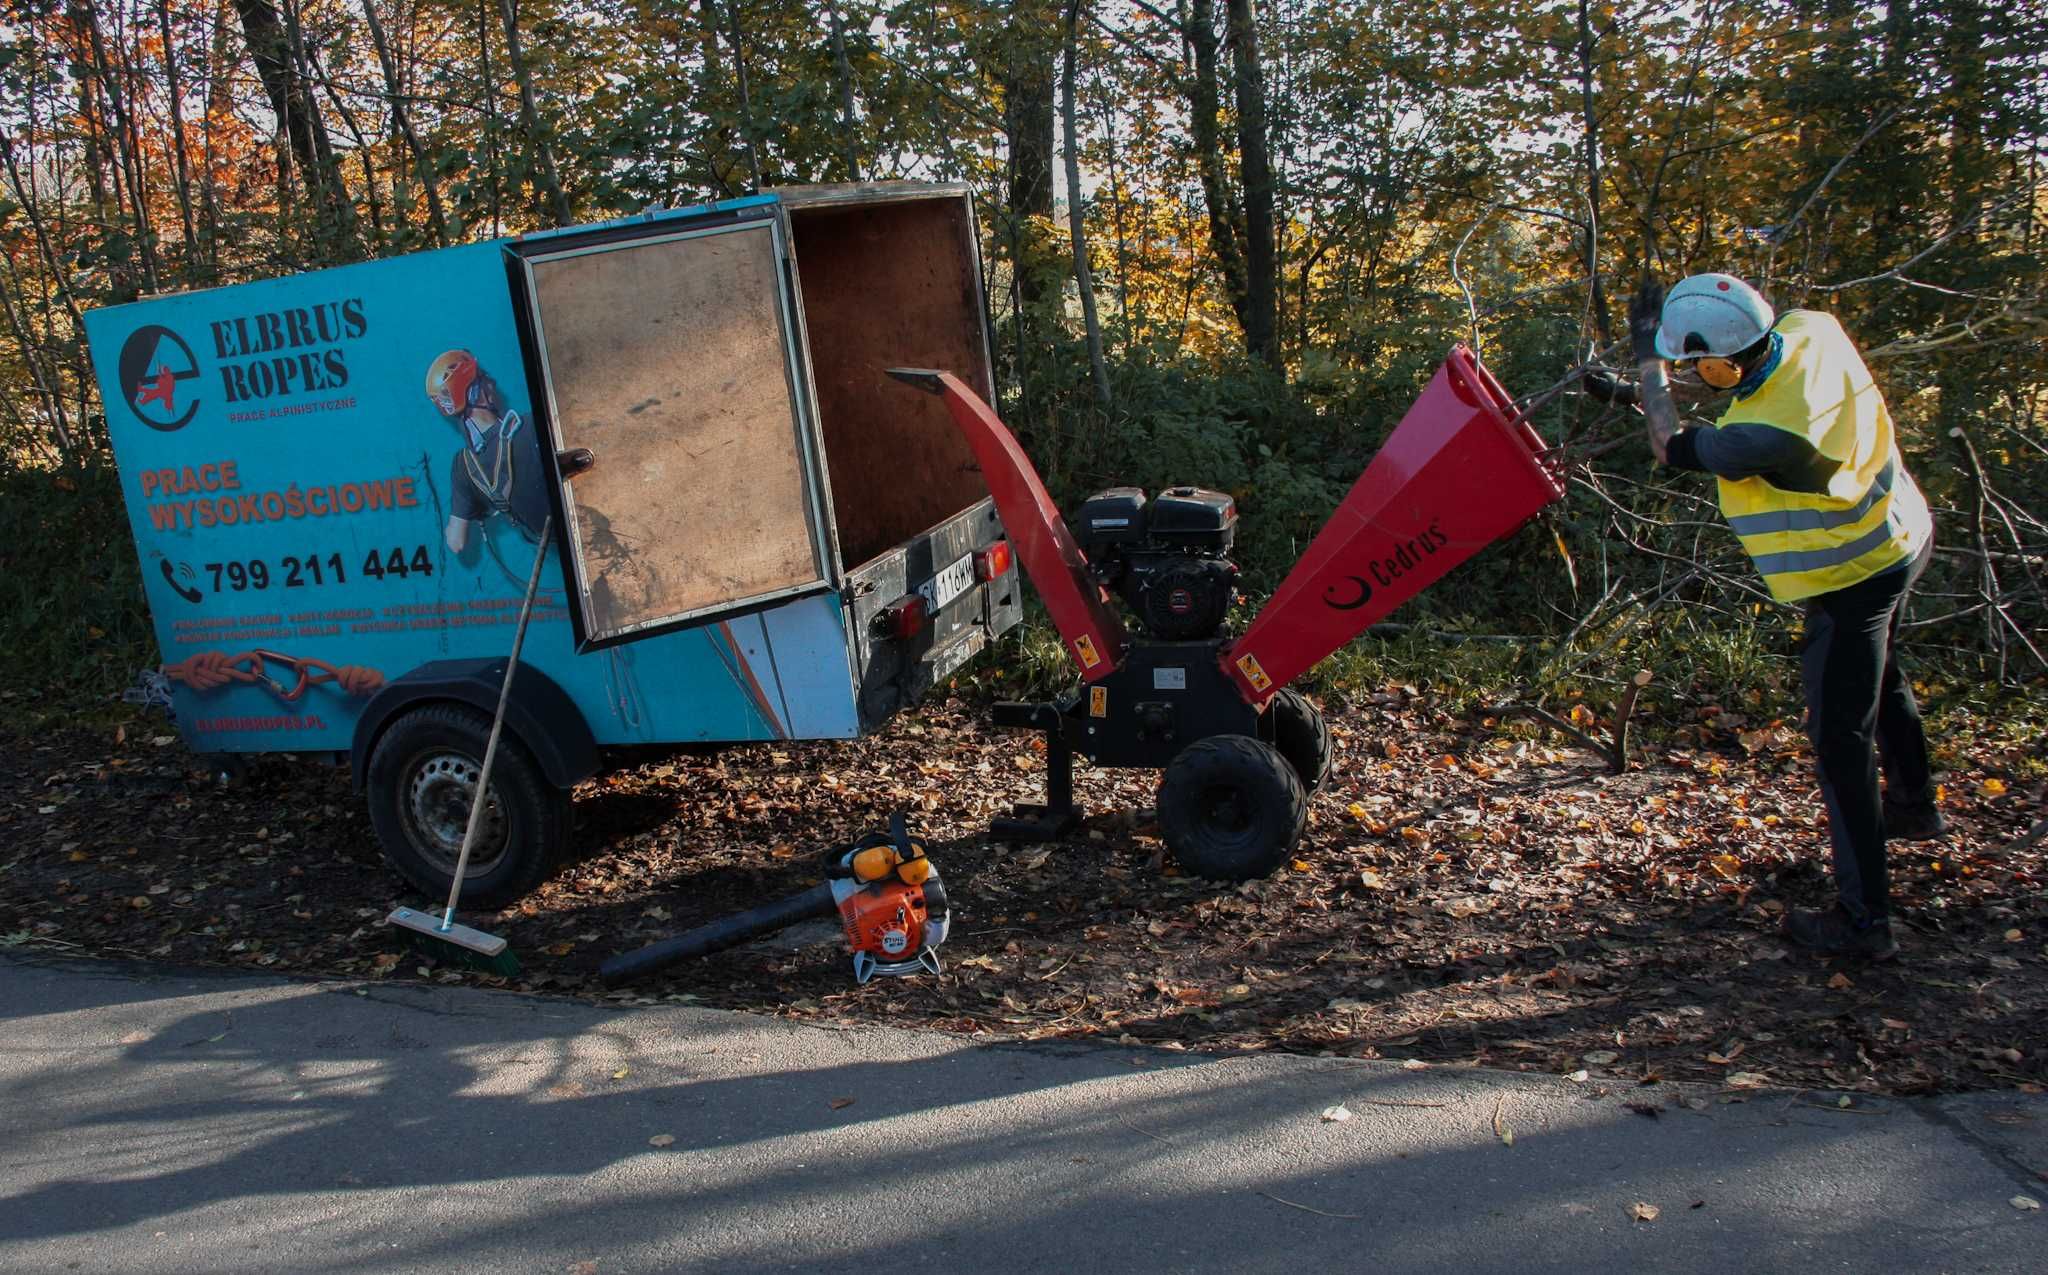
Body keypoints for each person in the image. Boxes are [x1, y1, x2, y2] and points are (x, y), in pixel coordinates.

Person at [1586, 273, 1943, 960]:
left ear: (1719, 361)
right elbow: (1741, 392)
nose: (1698, 373)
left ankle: (1866, 922)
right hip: (1903, 533)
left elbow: (1675, 445)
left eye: (1699, 363)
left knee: (1841, 743)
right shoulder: (1810, 328)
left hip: (1851, 576)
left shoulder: (1762, 439)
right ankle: (1914, 803)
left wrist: (1646, 359)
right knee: (1881, 675)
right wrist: (1639, 396)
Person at [424, 349, 552, 555]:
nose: (492, 384)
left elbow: (455, 542)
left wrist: (476, 504)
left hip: (545, 542)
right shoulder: (531, 426)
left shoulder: (463, 466)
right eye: (483, 379)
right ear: (475, 390)